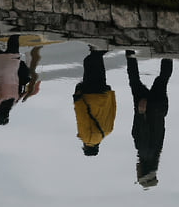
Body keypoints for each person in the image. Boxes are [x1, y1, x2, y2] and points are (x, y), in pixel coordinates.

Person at [126, 50, 173, 188]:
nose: (136, 171)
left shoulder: (156, 152)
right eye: (138, 174)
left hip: (160, 109)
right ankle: (129, 51)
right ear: (142, 172)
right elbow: (144, 130)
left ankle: (168, 52)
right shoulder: (145, 151)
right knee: (134, 80)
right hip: (148, 108)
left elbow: (161, 129)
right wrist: (141, 112)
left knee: (162, 79)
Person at [73, 47, 116, 156]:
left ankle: (98, 47)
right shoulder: (87, 137)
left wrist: (111, 94)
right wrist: (77, 100)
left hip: (103, 94)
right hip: (90, 96)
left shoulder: (108, 131)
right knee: (88, 61)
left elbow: (112, 111)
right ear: (86, 147)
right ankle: (106, 47)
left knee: (98, 66)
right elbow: (81, 117)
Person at [0, 31, 25, 125]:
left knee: (14, 38)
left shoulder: (14, 102)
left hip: (13, 63)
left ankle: (15, 26)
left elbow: (23, 93)